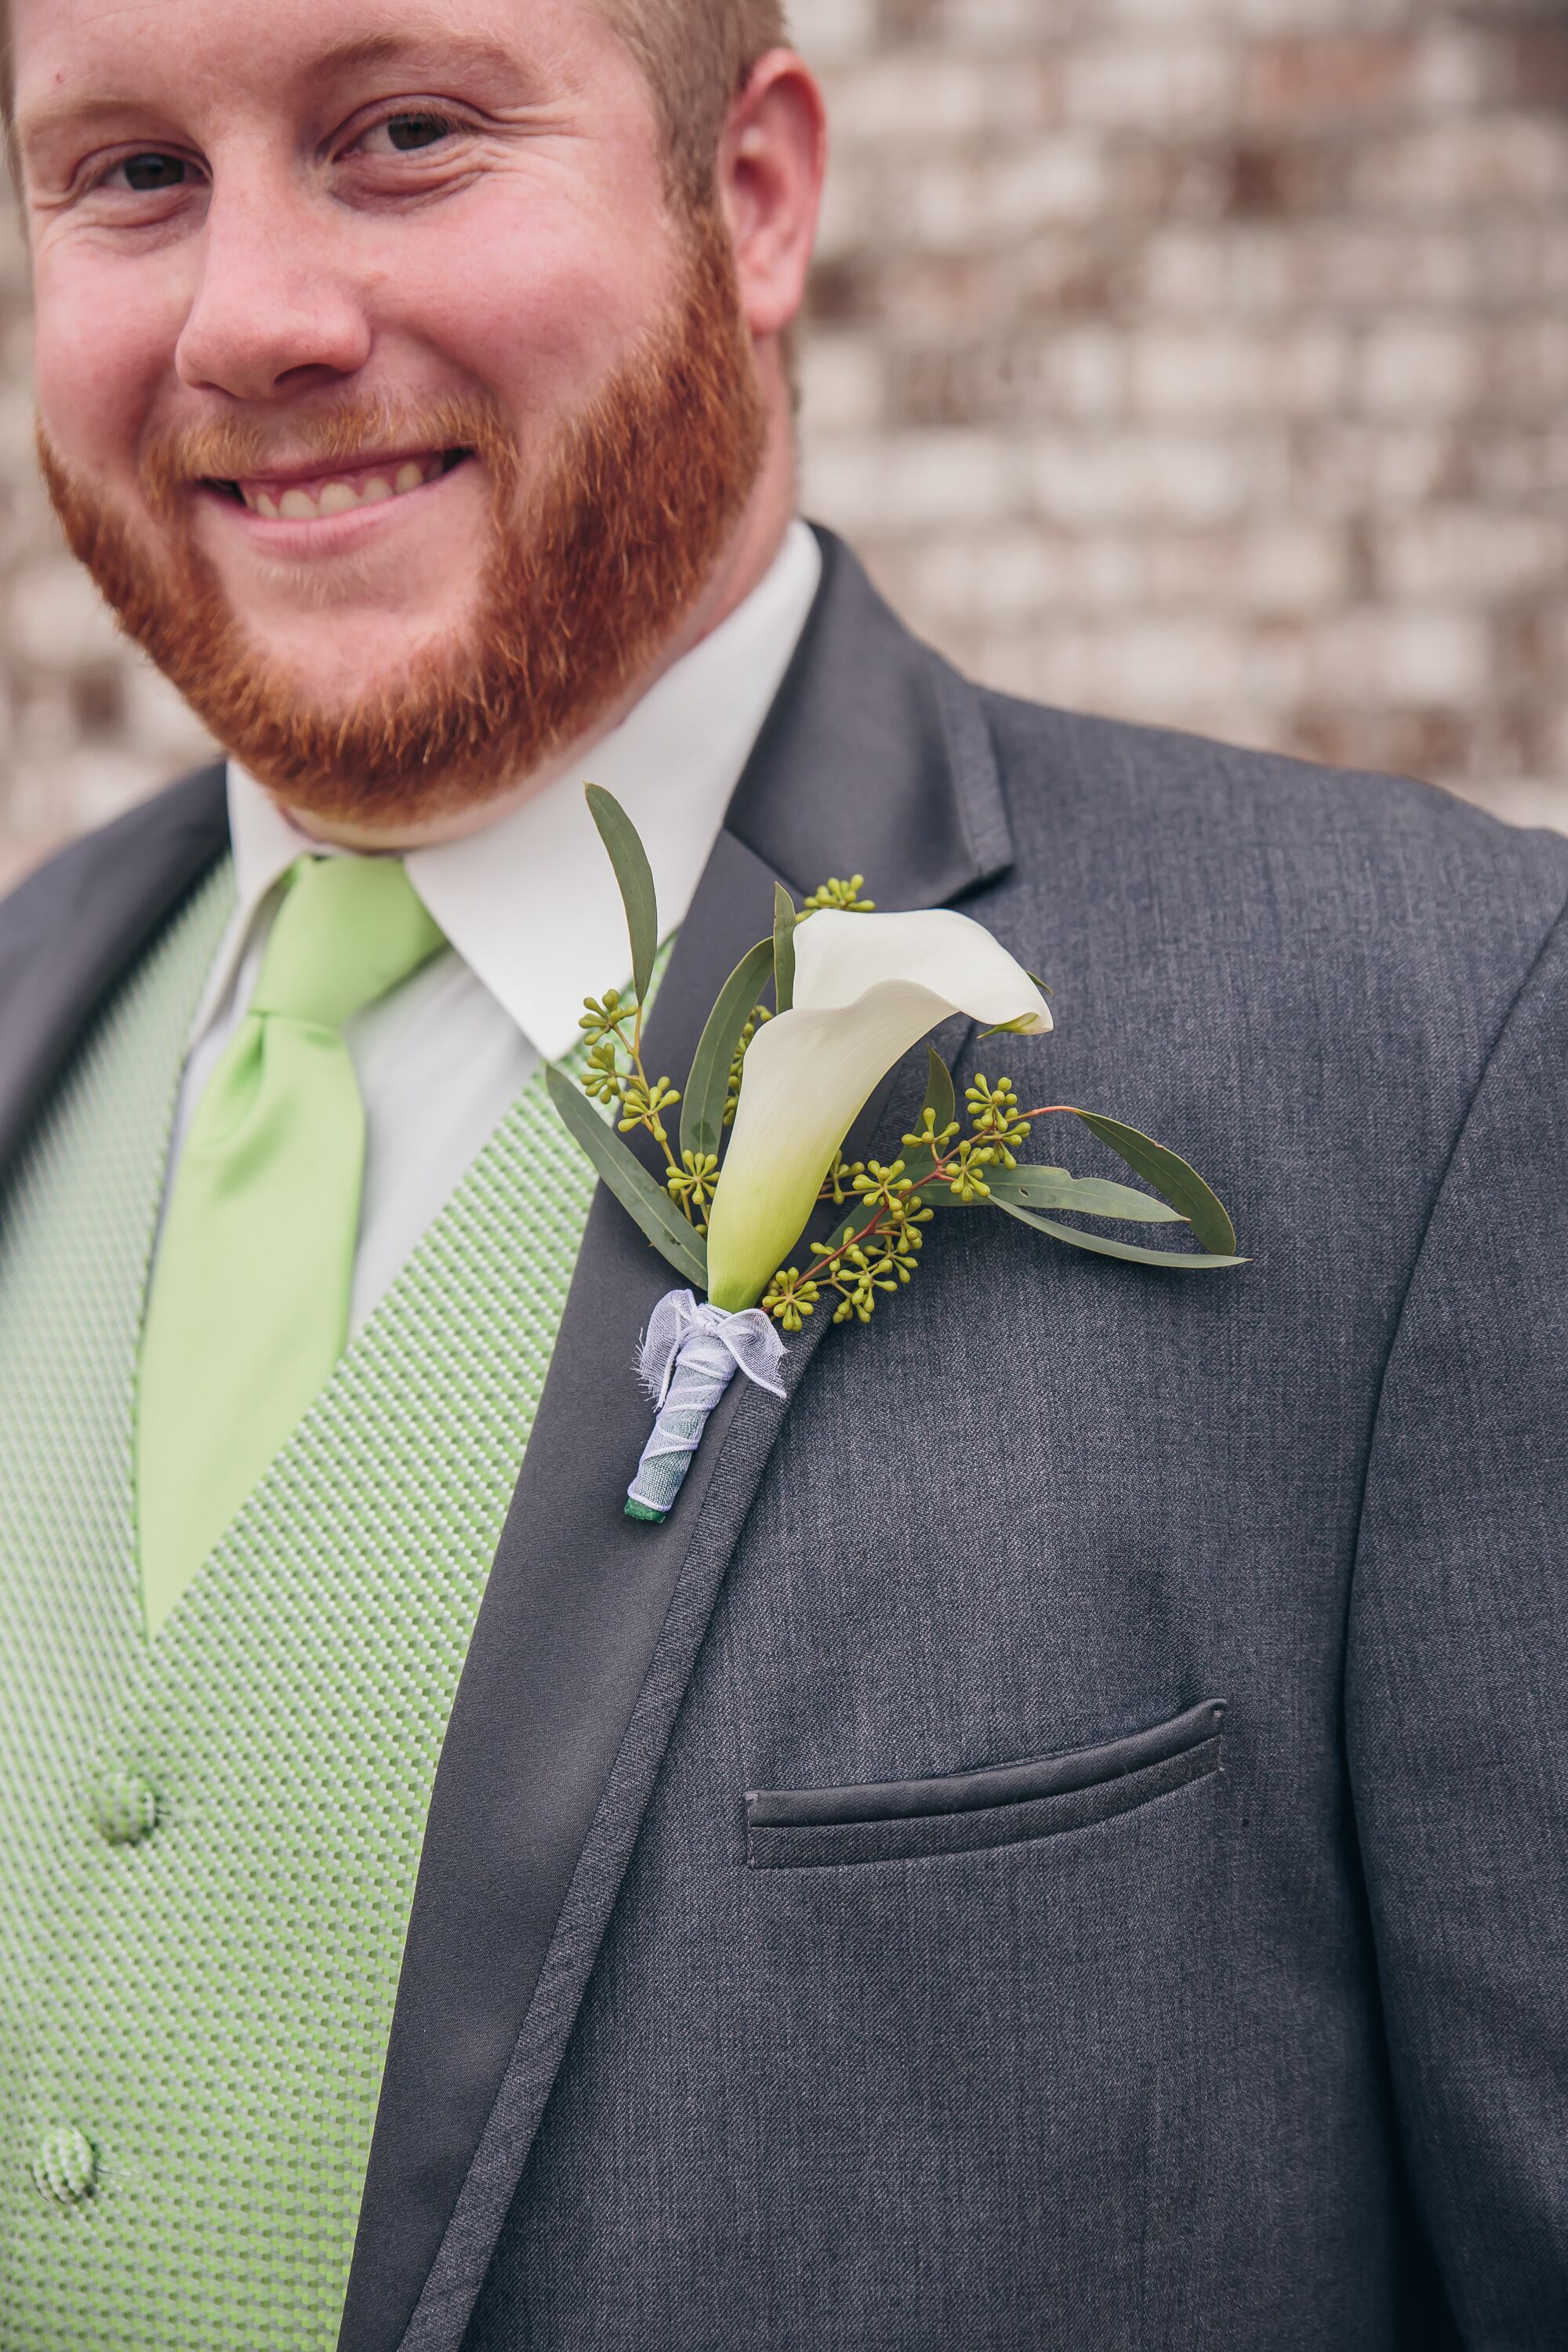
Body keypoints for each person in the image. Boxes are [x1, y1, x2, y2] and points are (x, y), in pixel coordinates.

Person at [0, 0, 1563, 2345]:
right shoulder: (32, 1006)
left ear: (751, 198)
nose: (253, 316)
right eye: (128, 175)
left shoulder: (1438, 1037)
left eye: (404, 133)